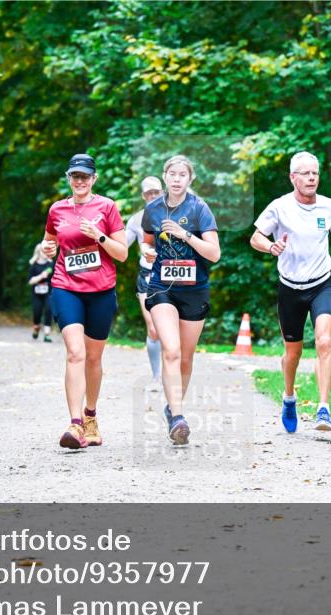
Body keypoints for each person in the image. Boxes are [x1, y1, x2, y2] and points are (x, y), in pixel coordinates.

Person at [250, 151, 331, 432]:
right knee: (293, 353)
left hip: (322, 282)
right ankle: (288, 397)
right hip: (290, 287)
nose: (311, 178)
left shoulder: (328, 205)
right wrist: (270, 246)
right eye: (305, 173)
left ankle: (324, 410)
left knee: (324, 342)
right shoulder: (279, 207)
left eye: (315, 173)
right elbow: (256, 236)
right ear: (293, 177)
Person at [42, 153, 128, 449]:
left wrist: (100, 236)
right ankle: (75, 423)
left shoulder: (107, 207)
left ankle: (91, 416)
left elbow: (123, 253)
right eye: (75, 176)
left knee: (93, 357)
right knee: (75, 353)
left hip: (101, 290)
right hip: (66, 286)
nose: (80, 181)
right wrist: (45, 249)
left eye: (85, 176)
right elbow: (49, 243)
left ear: (94, 179)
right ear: (69, 178)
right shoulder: (57, 209)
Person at [141, 155, 220, 445]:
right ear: (165, 177)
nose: (176, 179)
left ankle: (173, 408)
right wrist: (147, 253)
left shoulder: (200, 209)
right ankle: (178, 417)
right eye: (172, 174)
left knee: (185, 357)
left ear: (190, 179)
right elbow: (147, 243)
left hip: (194, 289)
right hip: (163, 286)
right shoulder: (153, 209)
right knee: (171, 351)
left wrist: (185, 234)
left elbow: (214, 253)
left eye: (182, 175)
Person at [124, 176, 164, 388]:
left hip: (171, 277)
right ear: (143, 196)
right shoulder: (136, 220)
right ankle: (157, 376)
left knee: (171, 328)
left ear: (162, 191)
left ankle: (172, 373)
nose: (152, 196)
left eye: (156, 192)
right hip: (147, 276)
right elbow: (121, 245)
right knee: (153, 327)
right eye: (148, 193)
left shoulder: (173, 214)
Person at [28, 240, 54, 342]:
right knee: (37, 312)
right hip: (36, 293)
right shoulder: (33, 265)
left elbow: (51, 273)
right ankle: (36, 328)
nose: (44, 253)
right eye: (42, 251)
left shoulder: (50, 263)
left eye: (46, 251)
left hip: (48, 291)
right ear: (38, 252)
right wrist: (40, 277)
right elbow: (31, 281)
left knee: (48, 310)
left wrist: (47, 273)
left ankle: (47, 334)